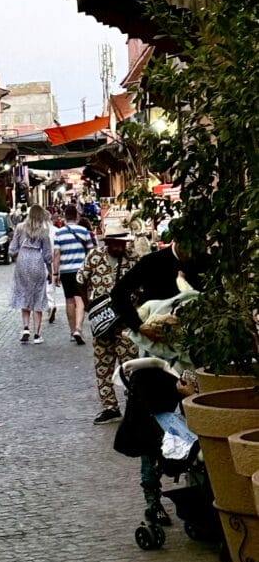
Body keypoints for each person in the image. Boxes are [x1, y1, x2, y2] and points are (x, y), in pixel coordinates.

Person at [109, 235, 208, 524]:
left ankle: (197, 495)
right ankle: (152, 497)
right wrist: (139, 325)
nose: (195, 251)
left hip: (192, 357)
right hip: (154, 356)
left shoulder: (205, 263)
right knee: (152, 420)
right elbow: (119, 294)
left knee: (194, 421)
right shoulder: (153, 263)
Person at [76, 224, 140, 424]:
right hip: (102, 321)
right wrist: (88, 306)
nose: (120, 247)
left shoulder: (133, 258)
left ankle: (133, 405)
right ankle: (110, 407)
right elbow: (80, 280)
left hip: (126, 321)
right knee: (103, 365)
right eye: (116, 243)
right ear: (108, 242)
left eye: (122, 243)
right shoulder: (94, 257)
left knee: (130, 364)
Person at [9, 204, 53, 343]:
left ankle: (26, 327)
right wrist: (51, 272)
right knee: (38, 296)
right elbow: (47, 254)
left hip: (22, 261)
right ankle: (37, 334)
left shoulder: (20, 227)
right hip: (37, 261)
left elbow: (12, 249)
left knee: (24, 294)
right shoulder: (44, 231)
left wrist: (18, 255)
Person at [53, 204, 95, 344]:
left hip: (65, 271)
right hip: (81, 270)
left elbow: (57, 254)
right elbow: (91, 252)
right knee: (80, 300)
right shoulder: (84, 231)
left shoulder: (59, 233)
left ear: (65, 217)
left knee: (69, 300)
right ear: (76, 216)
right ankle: (78, 328)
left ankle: (72, 332)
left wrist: (55, 273)